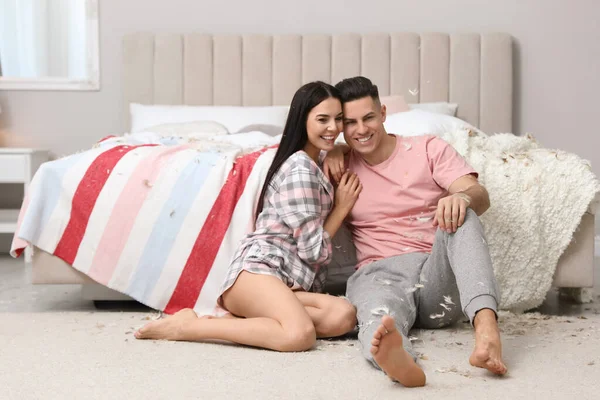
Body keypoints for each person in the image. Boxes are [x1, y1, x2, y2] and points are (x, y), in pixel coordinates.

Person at [135, 81, 362, 352]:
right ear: (302, 120)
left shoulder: (315, 161)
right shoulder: (301, 169)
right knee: (299, 335)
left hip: (288, 283)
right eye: (322, 119)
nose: (333, 128)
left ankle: (256, 319)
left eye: (338, 119)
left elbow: (349, 144)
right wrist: (341, 207)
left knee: (343, 315)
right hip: (259, 274)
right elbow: (313, 252)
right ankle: (189, 326)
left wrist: (338, 148)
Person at [323, 76, 507, 387]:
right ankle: (400, 360)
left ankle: (487, 331)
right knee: (379, 317)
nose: (361, 130)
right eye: (350, 123)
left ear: (383, 113)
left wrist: (461, 197)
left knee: (465, 214)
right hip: (379, 274)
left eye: (368, 117)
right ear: (341, 127)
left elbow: (480, 195)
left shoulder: (427, 148)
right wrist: (331, 150)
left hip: (437, 280)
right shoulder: (338, 166)